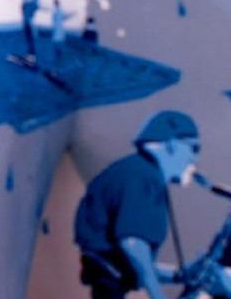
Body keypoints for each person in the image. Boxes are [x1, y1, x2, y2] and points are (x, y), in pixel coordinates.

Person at [74, 110, 219, 299]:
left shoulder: (139, 172)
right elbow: (133, 245)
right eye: (193, 149)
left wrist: (177, 275)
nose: (195, 159)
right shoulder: (143, 177)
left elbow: (130, 263)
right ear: (172, 145)